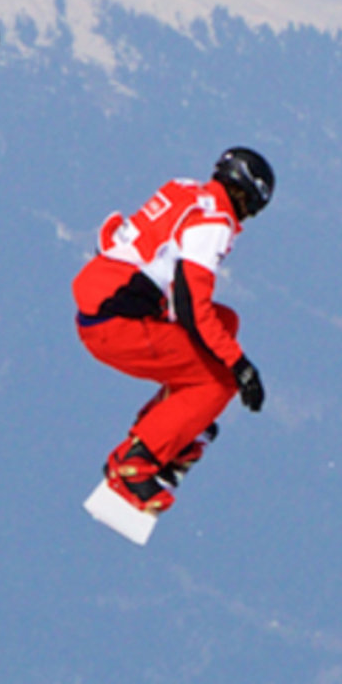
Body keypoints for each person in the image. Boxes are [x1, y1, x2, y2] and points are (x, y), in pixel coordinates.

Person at [73, 148, 273, 517]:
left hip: (104, 306)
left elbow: (121, 235)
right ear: (245, 194)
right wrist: (242, 368)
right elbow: (191, 310)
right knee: (220, 382)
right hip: (117, 325)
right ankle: (134, 465)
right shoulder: (215, 223)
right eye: (252, 208)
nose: (247, 218)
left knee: (226, 323)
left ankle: (168, 425)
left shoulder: (184, 189)